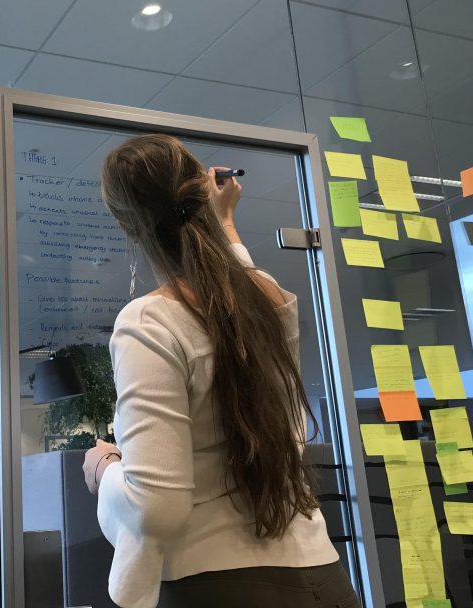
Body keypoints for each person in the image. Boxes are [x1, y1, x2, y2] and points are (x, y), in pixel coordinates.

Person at [83, 135, 359, 608]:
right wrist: (225, 222)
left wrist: (105, 469)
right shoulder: (270, 302)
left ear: (127, 225)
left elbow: (158, 509)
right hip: (324, 579)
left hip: (214, 584)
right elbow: (236, 291)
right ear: (200, 193)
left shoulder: (148, 322)